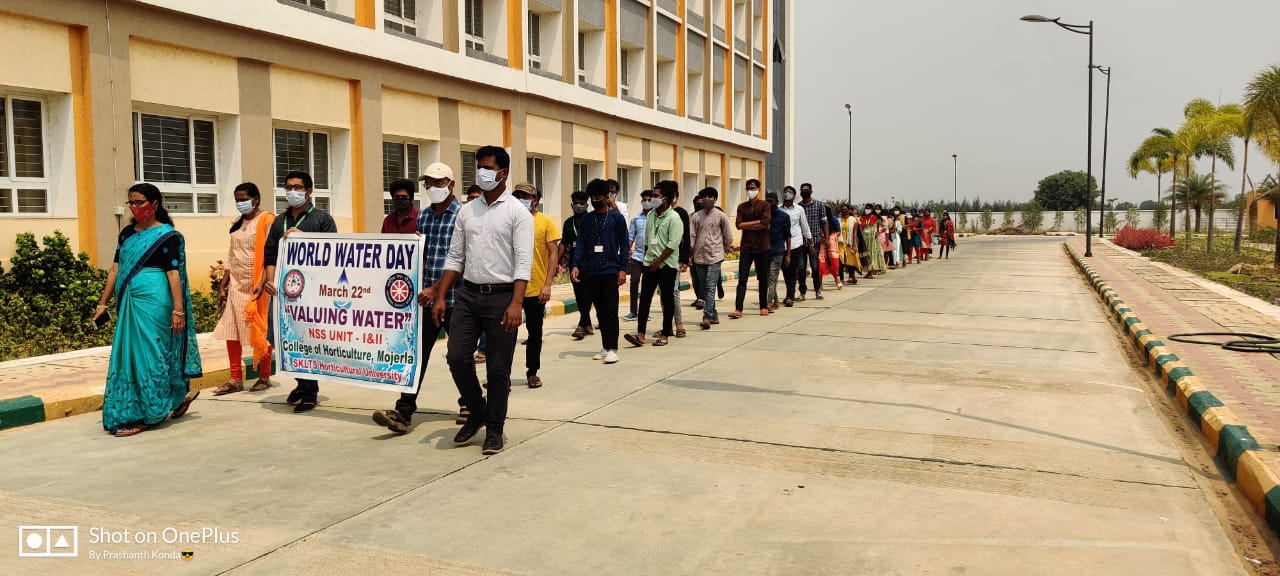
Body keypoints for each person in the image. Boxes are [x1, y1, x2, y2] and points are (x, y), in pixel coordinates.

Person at [431, 146, 532, 455]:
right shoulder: (467, 210)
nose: (481, 173)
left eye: (487, 167)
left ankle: (495, 429)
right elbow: (455, 257)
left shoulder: (517, 213)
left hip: (502, 298)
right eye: (478, 167)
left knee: (498, 369)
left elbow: (522, 263)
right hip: (468, 295)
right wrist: (440, 295)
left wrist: (516, 304)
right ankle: (477, 410)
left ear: (502, 172)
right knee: (456, 357)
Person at [93, 183, 201, 437]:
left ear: (154, 204)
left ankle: (149, 413)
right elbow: (115, 269)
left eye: (139, 202)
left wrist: (178, 311)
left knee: (152, 355)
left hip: (155, 301)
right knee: (128, 356)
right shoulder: (127, 234)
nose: (134, 207)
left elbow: (174, 274)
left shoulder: (167, 236)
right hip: (129, 299)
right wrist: (102, 303)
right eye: (131, 202)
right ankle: (140, 406)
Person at [372, 162, 464, 433]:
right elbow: (418, 258)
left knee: (458, 357)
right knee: (414, 356)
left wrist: (438, 290)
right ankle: (403, 411)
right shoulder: (423, 217)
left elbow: (464, 260)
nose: (433, 188)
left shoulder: (463, 216)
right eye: (429, 183)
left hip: (456, 299)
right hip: (425, 302)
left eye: (438, 182)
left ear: (451, 184)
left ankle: (469, 403)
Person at [257, 170, 338, 413]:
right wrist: (270, 282)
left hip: (311, 292)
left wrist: (306, 238)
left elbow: (334, 252)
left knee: (306, 340)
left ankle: (310, 391)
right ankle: (302, 383)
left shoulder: (323, 219)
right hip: (282, 292)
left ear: (310, 191)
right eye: (288, 187)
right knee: (279, 338)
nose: (293, 192)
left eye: (298, 187)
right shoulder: (279, 221)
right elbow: (270, 254)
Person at [212, 182, 275, 396]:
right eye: (237, 200)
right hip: (236, 286)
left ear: (255, 199)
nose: (240, 203)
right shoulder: (236, 224)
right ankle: (235, 378)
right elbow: (232, 256)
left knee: (260, 330)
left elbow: (271, 254)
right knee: (232, 331)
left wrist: (263, 281)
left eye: (243, 199)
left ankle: (264, 377)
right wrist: (223, 285)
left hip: (258, 285)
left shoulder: (267, 221)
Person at [571, 179, 629, 364]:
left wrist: (622, 269)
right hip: (592, 270)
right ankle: (605, 347)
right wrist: (575, 264)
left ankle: (613, 348)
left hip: (611, 269)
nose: (595, 201)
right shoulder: (588, 219)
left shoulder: (616, 218)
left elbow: (624, 244)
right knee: (600, 312)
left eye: (598, 197)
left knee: (610, 309)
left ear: (606, 197)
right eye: (593, 198)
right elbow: (580, 242)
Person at [511, 182, 560, 389]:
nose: (522, 200)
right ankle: (502, 376)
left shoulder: (545, 222)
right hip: (510, 287)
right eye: (518, 195)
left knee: (535, 333)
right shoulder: (509, 220)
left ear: (535, 200)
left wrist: (548, 284)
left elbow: (553, 254)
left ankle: (532, 372)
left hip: (535, 287)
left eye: (526, 196)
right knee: (505, 336)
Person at [624, 181, 684, 347]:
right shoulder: (650, 216)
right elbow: (648, 240)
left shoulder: (674, 218)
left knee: (666, 298)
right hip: (649, 263)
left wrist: (658, 261)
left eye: (656, 196)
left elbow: (673, 244)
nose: (652, 199)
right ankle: (640, 333)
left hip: (667, 266)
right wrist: (647, 259)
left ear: (665, 199)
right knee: (644, 298)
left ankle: (665, 333)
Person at [690, 187, 734, 329]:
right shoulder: (696, 217)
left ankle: (707, 316)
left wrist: (726, 248)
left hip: (715, 256)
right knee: (705, 287)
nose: (707, 199)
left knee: (709, 287)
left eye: (710, 196)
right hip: (699, 257)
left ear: (715, 199)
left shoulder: (721, 216)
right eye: (705, 197)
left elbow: (728, 235)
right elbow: (692, 236)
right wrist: (689, 254)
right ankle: (714, 315)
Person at [730, 179, 772, 319]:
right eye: (748, 188)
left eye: (753, 188)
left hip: (762, 247)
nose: (750, 191)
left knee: (763, 278)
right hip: (746, 248)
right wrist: (758, 223)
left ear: (759, 189)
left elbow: (766, 223)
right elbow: (738, 225)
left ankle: (763, 306)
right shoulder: (742, 207)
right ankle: (738, 308)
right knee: (742, 278)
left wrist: (748, 224)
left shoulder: (765, 205)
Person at [561, 191, 596, 341]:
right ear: (572, 205)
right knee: (579, 296)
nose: (579, 206)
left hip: (590, 263)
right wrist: (556, 261)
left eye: (582, 203)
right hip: (574, 264)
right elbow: (564, 243)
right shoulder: (569, 223)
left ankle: (581, 325)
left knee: (587, 294)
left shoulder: (593, 220)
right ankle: (587, 323)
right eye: (576, 203)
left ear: (587, 205)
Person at [623, 189, 653, 322]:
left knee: (647, 286)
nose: (646, 202)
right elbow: (630, 237)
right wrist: (625, 254)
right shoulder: (636, 219)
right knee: (634, 282)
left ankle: (645, 311)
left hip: (652, 258)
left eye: (649, 200)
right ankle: (633, 311)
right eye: (644, 200)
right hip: (637, 256)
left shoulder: (656, 218)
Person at [777, 186, 811, 307]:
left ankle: (789, 296)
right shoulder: (778, 209)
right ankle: (783, 294)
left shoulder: (799, 209)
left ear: (794, 195)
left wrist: (810, 243)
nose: (787, 194)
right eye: (785, 192)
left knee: (791, 271)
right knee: (784, 271)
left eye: (790, 192)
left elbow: (805, 226)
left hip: (796, 244)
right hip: (781, 245)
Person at [667, 185, 692, 338]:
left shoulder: (680, 213)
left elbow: (686, 237)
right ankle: (667, 325)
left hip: (674, 258)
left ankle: (679, 324)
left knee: (674, 291)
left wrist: (684, 259)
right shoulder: (655, 214)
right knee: (664, 292)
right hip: (658, 259)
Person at [796, 183, 829, 300]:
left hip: (814, 241)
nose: (804, 192)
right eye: (802, 190)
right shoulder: (798, 207)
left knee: (815, 267)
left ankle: (817, 290)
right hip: (800, 242)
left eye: (806, 190)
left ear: (811, 191)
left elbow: (824, 222)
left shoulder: (819, 205)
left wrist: (827, 237)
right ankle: (802, 292)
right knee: (801, 268)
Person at [765, 191, 793, 310]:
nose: (769, 204)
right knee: (767, 278)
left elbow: (788, 236)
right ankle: (775, 299)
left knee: (772, 278)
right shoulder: (763, 216)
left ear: (776, 202)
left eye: (771, 202)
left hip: (778, 251)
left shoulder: (784, 217)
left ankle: (768, 302)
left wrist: (788, 254)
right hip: (764, 251)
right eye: (767, 201)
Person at [858, 204, 886, 277]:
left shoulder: (875, 218)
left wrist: (878, 232)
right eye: (866, 208)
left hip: (873, 239)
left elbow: (885, 227)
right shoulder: (862, 218)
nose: (867, 210)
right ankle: (869, 270)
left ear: (872, 210)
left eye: (868, 208)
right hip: (864, 239)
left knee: (871, 254)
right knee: (865, 255)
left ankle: (870, 271)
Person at [836, 205, 862, 285]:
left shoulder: (853, 220)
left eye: (846, 209)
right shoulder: (838, 220)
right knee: (840, 262)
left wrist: (854, 244)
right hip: (840, 243)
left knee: (851, 261)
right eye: (842, 209)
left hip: (849, 243)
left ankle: (852, 276)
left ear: (848, 210)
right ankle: (842, 279)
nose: (844, 211)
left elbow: (854, 233)